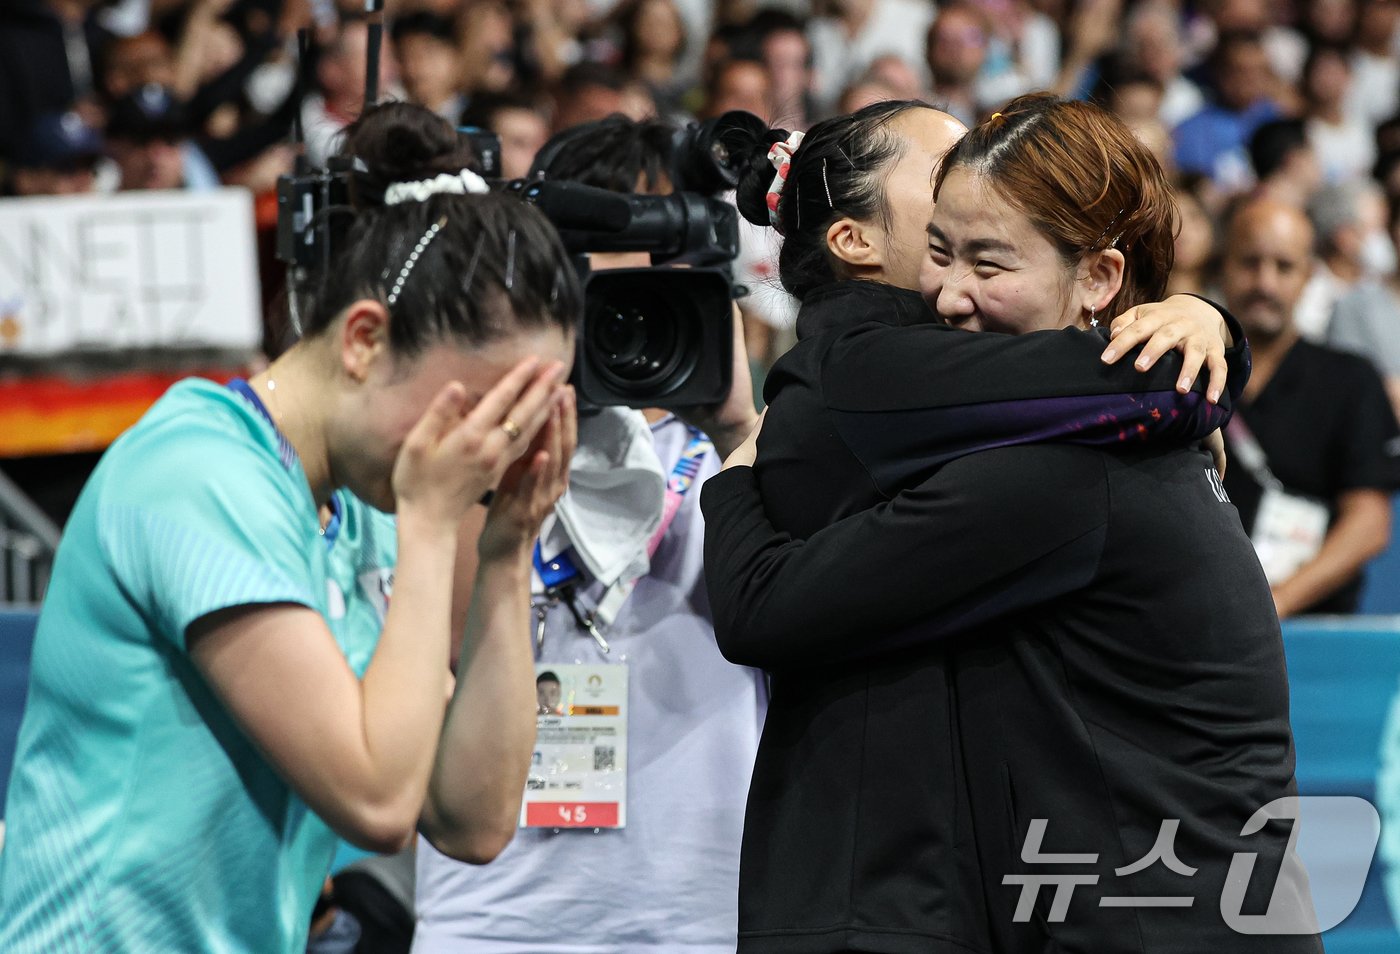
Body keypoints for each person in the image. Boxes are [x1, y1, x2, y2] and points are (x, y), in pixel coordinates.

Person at [700, 93, 1318, 953]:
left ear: (1099, 277)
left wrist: (731, 479)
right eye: (943, 249)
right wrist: (1207, 335)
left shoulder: (1068, 471)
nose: (951, 295)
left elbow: (763, 604)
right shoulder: (1105, 436)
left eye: (989, 262)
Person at [0, 102, 582, 953]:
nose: (487, 455)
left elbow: (472, 818)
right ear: (363, 342)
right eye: (481, 412)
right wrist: (430, 525)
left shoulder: (362, 503)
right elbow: (379, 802)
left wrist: (504, 553)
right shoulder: (198, 473)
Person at [412, 114, 768, 954]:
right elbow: (437, 634)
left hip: (703, 919)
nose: (628, 313)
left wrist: (737, 430)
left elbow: (794, 626)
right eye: (599, 284)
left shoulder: (756, 455)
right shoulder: (461, 451)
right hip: (496, 923)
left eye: (661, 276)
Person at [1219, 196, 1400, 617]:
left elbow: (1369, 523)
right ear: (1223, 266)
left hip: (1314, 630)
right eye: (1249, 262)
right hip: (1200, 630)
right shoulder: (1187, 378)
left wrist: (1273, 606)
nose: (1265, 283)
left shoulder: (1351, 380)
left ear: (1308, 276)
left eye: (1284, 267)